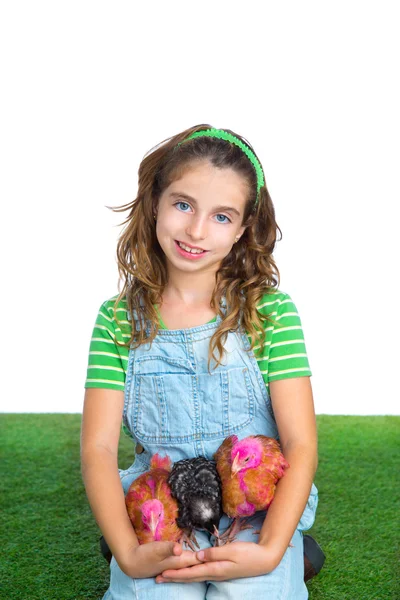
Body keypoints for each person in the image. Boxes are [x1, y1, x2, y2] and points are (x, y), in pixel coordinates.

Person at [81, 125, 322, 599]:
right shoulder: (116, 319)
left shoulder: (271, 313)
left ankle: (293, 550)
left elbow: (300, 443)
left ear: (243, 229)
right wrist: (129, 551)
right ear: (155, 203)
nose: (195, 231)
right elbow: (99, 451)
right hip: (162, 506)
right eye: (183, 204)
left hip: (256, 511)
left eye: (221, 216)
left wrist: (272, 547)